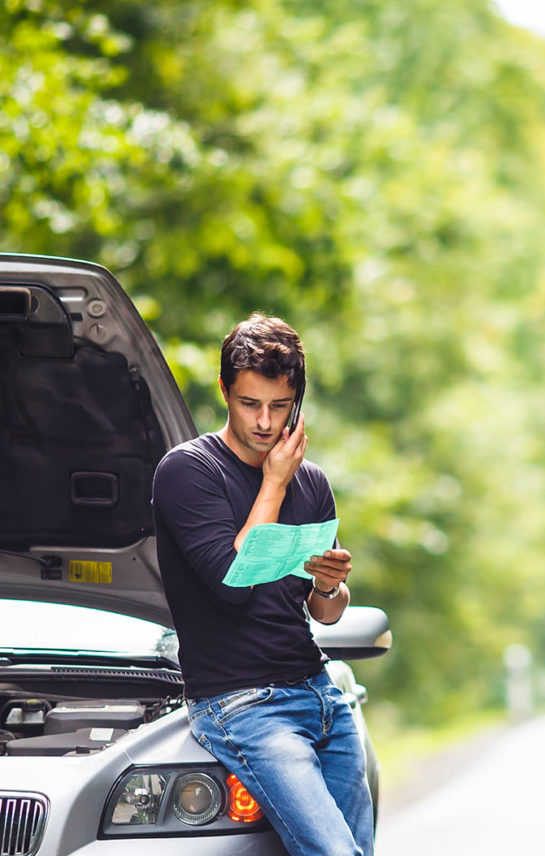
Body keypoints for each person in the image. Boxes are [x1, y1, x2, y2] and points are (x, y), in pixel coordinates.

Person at [152, 313, 374, 856]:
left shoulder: (313, 481)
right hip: (242, 704)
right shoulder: (188, 472)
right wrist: (273, 481)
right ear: (225, 389)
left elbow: (324, 614)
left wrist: (329, 585)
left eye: (279, 406)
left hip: (319, 693)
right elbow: (232, 582)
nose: (265, 422)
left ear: (296, 401)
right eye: (250, 403)